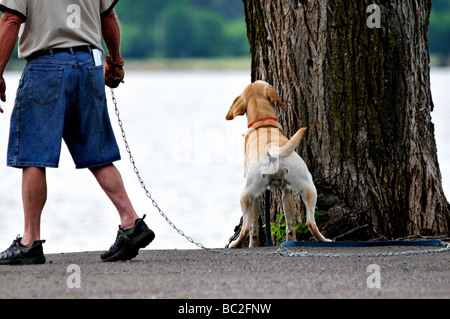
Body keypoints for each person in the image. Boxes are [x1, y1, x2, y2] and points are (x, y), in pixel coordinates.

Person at [0, 0, 155, 265]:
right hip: (88, 65)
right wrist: (115, 61)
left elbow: (11, 20)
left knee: (33, 155)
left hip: (45, 67)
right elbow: (107, 17)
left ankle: (29, 241)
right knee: (98, 153)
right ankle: (130, 221)